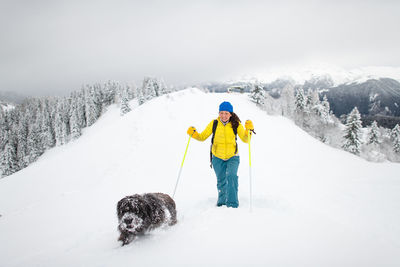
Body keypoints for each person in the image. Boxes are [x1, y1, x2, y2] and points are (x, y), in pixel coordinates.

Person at [187, 101, 254, 208]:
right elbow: (202, 137)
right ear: (219, 113)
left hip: (233, 156)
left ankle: (232, 204)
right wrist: (193, 134)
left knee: (231, 177)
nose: (223, 115)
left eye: (226, 113)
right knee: (221, 180)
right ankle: (222, 202)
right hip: (217, 157)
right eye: (221, 113)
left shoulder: (236, 124)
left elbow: (246, 140)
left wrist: (248, 130)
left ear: (231, 114)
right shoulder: (214, 123)